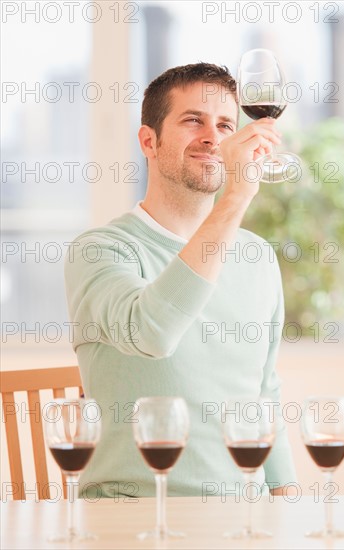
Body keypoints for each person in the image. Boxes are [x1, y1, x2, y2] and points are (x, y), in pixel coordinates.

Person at [64, 63, 297, 498]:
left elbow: (264, 395)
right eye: (194, 120)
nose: (213, 137)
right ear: (148, 141)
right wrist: (237, 198)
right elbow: (152, 331)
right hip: (133, 518)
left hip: (245, 519)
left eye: (226, 124)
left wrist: (289, 508)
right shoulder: (99, 250)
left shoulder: (257, 257)